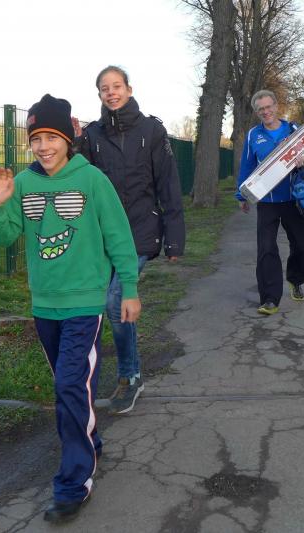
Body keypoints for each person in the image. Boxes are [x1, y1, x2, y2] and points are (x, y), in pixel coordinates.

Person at [0, 94, 140, 523]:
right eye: (36, 139)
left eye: (51, 137)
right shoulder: (23, 183)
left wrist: (129, 288)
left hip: (84, 304)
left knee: (70, 384)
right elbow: (4, 236)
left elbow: (119, 237)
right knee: (70, 385)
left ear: (68, 139)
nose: (43, 147)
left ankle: (74, 482)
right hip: (44, 305)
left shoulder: (92, 181)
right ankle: (90, 441)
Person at [75, 65, 185, 415]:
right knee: (98, 303)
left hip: (140, 231)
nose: (111, 92)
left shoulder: (152, 130)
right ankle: (84, 379)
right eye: (104, 88)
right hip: (102, 235)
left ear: (129, 89)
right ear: (99, 95)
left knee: (115, 301)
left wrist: (174, 238)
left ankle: (130, 376)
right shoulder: (92, 135)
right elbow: (78, 178)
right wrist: (74, 143)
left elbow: (168, 183)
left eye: (117, 86)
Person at [235, 89, 304, 316]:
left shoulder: (294, 130)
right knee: (266, 249)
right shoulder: (253, 135)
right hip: (267, 202)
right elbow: (246, 166)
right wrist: (242, 195)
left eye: (268, 107)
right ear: (257, 112)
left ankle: (295, 279)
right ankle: (270, 298)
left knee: (301, 245)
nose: (265, 112)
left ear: (276, 106)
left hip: (294, 200)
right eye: (261, 109)